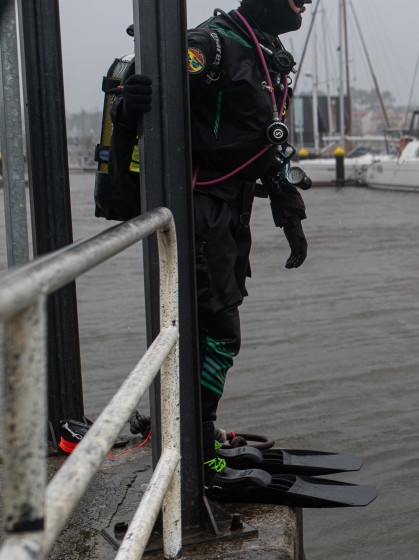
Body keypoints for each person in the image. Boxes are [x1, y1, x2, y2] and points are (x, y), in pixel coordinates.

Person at [108, 0, 312, 472]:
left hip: (230, 211)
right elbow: (142, 91)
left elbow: (268, 140)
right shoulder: (212, 45)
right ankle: (197, 455)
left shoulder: (262, 47)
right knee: (214, 329)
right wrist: (125, 107)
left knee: (217, 323)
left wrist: (289, 212)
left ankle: (197, 436)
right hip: (199, 208)